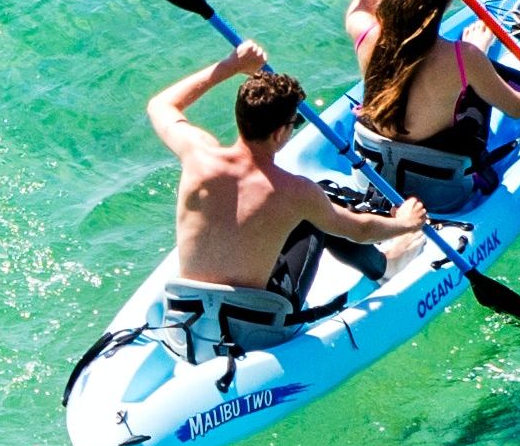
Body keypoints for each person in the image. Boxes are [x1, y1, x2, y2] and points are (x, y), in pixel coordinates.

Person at [144, 42, 428, 353]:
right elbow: (359, 230)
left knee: (295, 216)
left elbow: (160, 105)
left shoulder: (197, 154)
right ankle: (386, 265)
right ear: (280, 133)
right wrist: (405, 223)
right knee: (318, 215)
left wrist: (232, 65)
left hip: (187, 322)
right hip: (253, 331)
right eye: (295, 123)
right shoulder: (296, 192)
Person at [339, 0, 520, 208]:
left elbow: (360, 6)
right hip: (440, 193)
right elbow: (518, 108)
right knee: (472, 88)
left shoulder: (365, 33)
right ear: (449, 0)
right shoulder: (464, 58)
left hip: (369, 177)